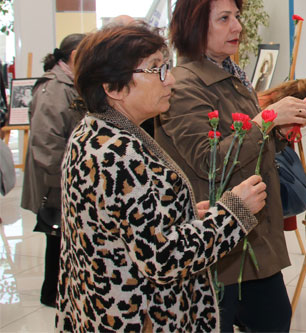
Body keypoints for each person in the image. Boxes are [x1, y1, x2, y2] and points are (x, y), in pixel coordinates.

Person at [57, 25, 267, 332]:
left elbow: (122, 224)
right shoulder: (117, 153)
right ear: (113, 88)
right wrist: (234, 213)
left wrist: (181, 215)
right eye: (155, 69)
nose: (169, 79)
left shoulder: (94, 133)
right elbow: (164, 258)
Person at [155, 0, 306, 332]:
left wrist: (279, 129)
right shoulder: (183, 86)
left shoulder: (232, 74)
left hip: (252, 237)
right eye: (224, 19)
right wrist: (268, 119)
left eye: (237, 16)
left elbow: (251, 148)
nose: (238, 27)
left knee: (275, 319)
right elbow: (209, 161)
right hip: (219, 243)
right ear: (196, 27)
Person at [20, 33, 86, 308]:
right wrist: (74, 176)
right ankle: (53, 296)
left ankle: (59, 293)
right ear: (72, 57)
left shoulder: (70, 84)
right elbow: (46, 144)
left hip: (62, 177)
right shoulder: (54, 89)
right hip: (55, 181)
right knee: (57, 238)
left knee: (62, 240)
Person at [257, 78, 306, 212]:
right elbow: (266, 171)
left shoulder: (281, 119)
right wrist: (304, 198)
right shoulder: (262, 116)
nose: (303, 123)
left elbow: (283, 163)